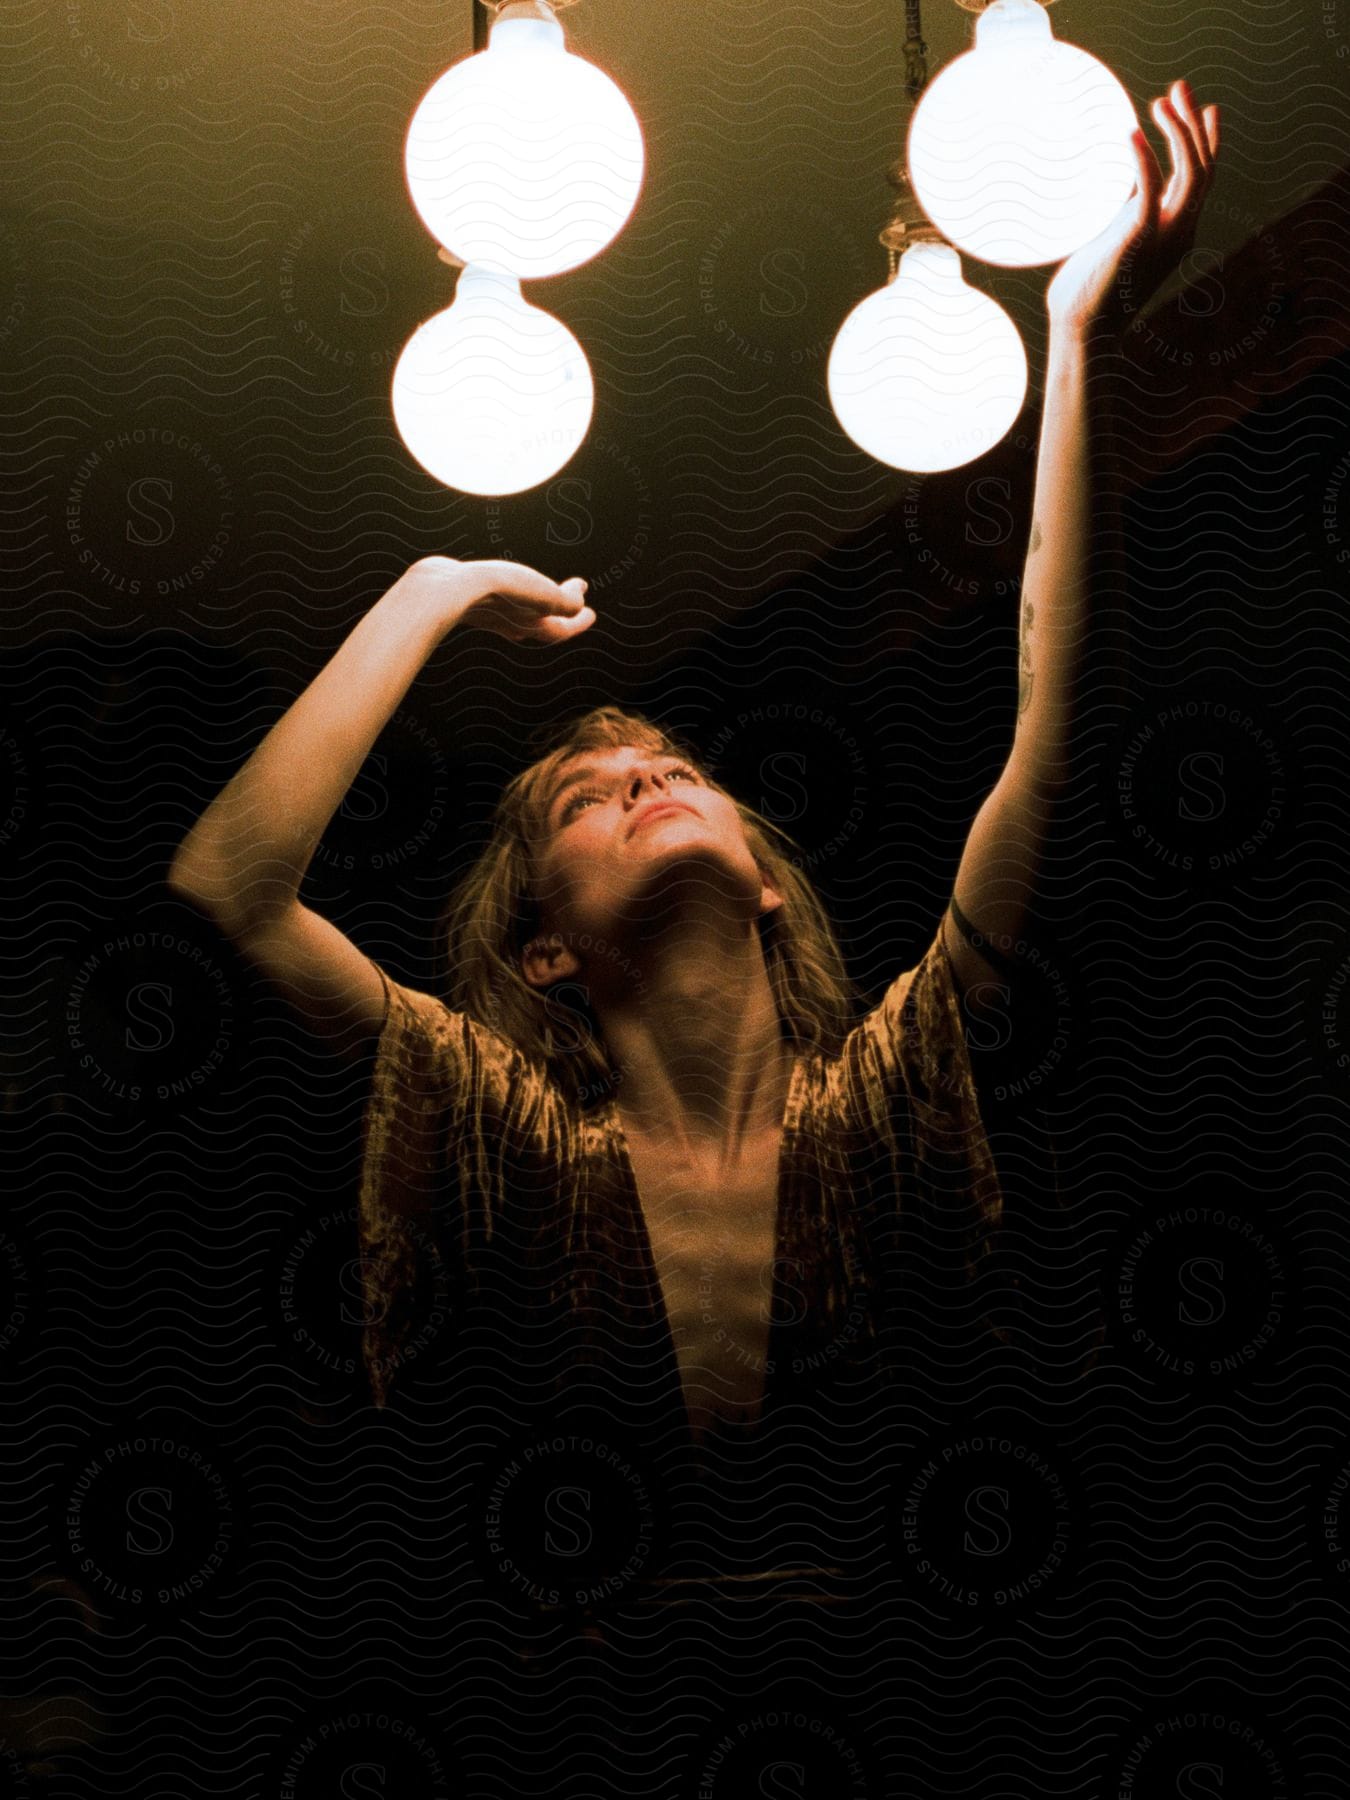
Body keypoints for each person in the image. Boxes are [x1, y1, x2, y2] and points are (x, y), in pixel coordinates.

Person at [168, 80, 1219, 1567]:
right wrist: (437, 581)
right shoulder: (507, 1135)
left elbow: (1053, 730)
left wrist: (1071, 335)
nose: (641, 780)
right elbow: (229, 889)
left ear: (770, 892)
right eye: (582, 803)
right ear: (542, 954)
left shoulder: (894, 1087)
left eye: (670, 769)